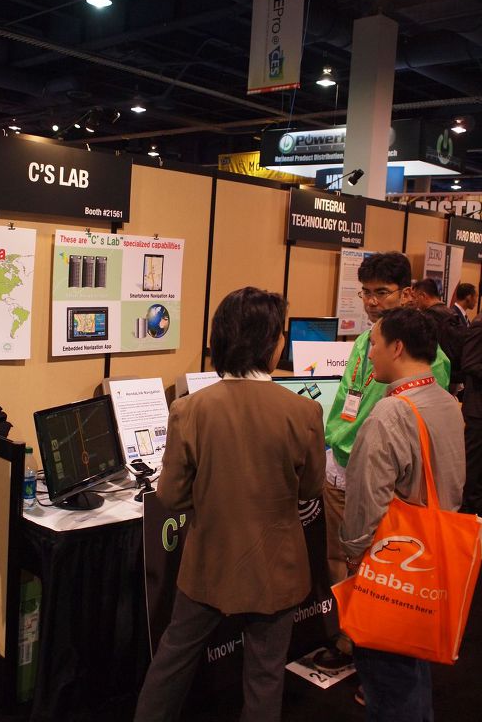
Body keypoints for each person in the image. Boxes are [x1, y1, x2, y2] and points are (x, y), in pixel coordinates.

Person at [133, 287, 325, 722]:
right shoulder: (304, 412)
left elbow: (171, 496)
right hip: (277, 569)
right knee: (265, 676)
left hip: (208, 563)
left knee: (173, 659)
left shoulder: (190, 409)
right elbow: (310, 489)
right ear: (268, 341)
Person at [317, 253, 450, 674]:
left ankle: (377, 651)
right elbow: (346, 397)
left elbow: (420, 426)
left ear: (406, 293)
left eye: (381, 292)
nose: (371, 301)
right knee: (338, 558)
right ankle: (349, 637)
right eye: (366, 292)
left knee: (383, 570)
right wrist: (333, 442)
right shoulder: (363, 341)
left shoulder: (429, 356)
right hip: (340, 465)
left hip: (384, 481)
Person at [340, 308, 465, 722]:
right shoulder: (446, 401)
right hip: (433, 562)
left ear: (397, 348)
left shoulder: (390, 414)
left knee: (390, 687)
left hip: (392, 568)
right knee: (413, 674)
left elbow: (366, 502)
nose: (369, 354)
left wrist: (354, 556)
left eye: (374, 344)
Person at [413, 278, 466, 391]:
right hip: (455, 373)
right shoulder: (452, 313)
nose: (414, 302)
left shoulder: (427, 317)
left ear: (422, 296)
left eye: (415, 297)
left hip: (438, 375)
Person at [460, 312, 482, 514]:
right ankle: (466, 511)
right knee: (472, 466)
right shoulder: (479, 325)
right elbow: (469, 363)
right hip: (477, 410)